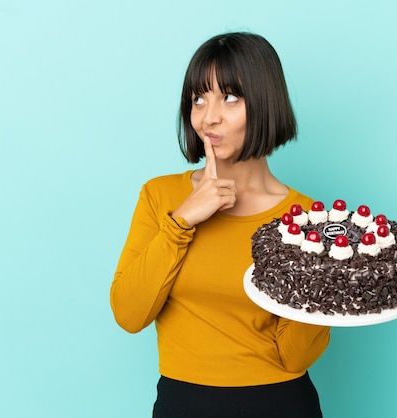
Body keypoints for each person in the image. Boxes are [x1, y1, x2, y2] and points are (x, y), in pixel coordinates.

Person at [110, 32, 330, 418]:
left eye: (229, 97)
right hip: (182, 404)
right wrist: (182, 222)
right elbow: (129, 314)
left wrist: (325, 283)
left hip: (280, 403)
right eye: (198, 98)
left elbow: (295, 357)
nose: (208, 116)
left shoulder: (306, 218)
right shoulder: (160, 197)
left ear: (265, 102)